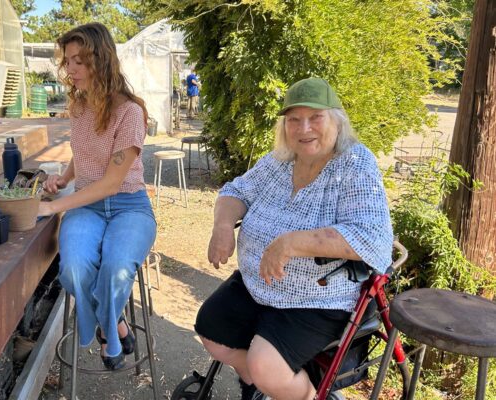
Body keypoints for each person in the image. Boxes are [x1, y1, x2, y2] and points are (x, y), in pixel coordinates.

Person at [195, 77, 393, 400]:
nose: (304, 129)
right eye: (294, 120)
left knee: (265, 364)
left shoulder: (355, 164)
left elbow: (373, 238)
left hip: (317, 299)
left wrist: (290, 243)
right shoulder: (280, 161)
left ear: (337, 121)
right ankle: (260, 387)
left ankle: (310, 396)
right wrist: (222, 225)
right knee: (211, 329)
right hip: (259, 285)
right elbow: (235, 191)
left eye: (315, 117)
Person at [38, 22, 156, 370]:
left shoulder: (131, 112)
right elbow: (84, 150)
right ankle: (114, 325)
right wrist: (64, 176)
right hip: (86, 205)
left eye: (79, 61)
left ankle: (108, 330)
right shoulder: (78, 107)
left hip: (128, 205)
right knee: (73, 270)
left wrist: (53, 206)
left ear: (101, 61)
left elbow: (110, 182)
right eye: (68, 61)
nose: (70, 69)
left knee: (118, 268)